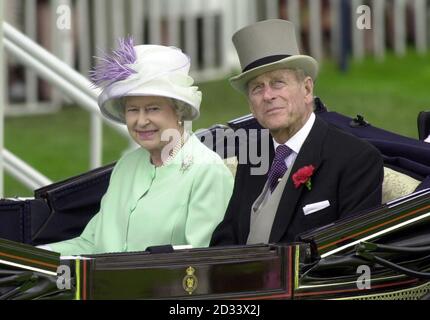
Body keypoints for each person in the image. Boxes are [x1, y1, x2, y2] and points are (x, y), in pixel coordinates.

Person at [42, 39, 234, 255]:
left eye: (152, 109)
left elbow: (202, 262)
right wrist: (31, 256)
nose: (141, 121)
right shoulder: (126, 166)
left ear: (179, 111)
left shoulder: (207, 171)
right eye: (133, 110)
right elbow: (91, 244)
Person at [210, 19, 384, 246]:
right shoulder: (254, 154)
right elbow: (228, 238)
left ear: (307, 89)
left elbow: (351, 255)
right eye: (257, 88)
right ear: (251, 105)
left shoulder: (356, 159)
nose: (268, 95)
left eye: (278, 82)